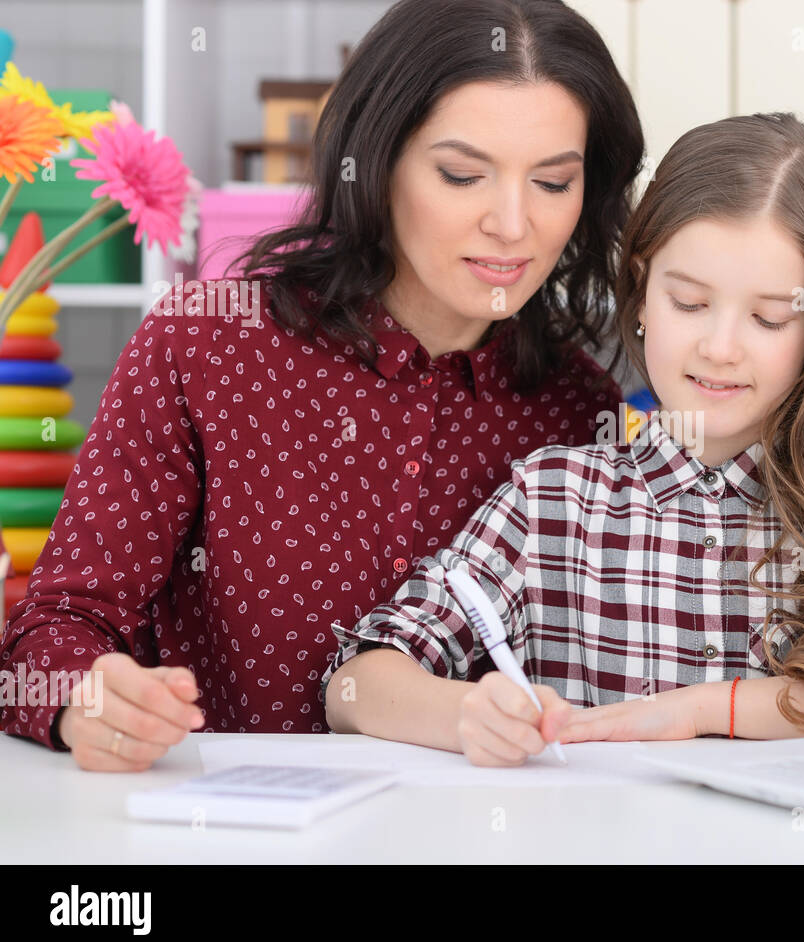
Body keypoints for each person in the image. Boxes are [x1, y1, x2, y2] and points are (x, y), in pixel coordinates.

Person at [0, 0, 644, 770]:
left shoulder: (582, 412)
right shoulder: (205, 346)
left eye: (552, 181)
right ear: (375, 160)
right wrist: (87, 699)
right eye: (462, 174)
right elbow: (48, 637)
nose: (513, 224)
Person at [323, 113, 804, 766]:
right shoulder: (554, 499)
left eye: (769, 318)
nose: (719, 348)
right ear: (642, 295)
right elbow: (354, 685)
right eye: (688, 303)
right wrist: (465, 714)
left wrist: (701, 710)